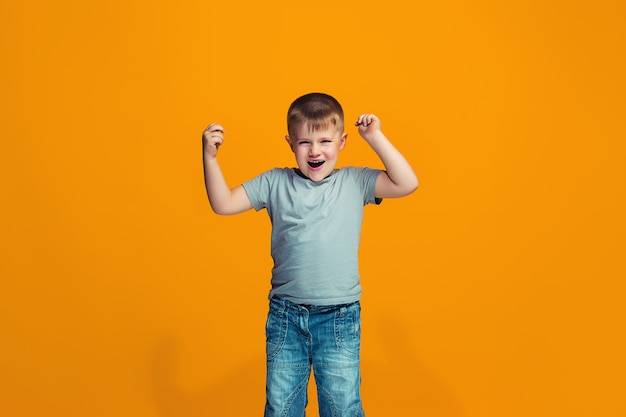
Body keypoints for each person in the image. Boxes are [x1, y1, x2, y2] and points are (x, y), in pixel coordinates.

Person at [202, 92, 418, 417]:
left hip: (339, 317)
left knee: (342, 408)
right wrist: (210, 158)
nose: (315, 150)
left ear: (342, 142)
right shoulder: (275, 182)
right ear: (290, 142)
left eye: (325, 141)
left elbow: (407, 183)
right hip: (286, 317)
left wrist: (375, 137)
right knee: (281, 408)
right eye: (305, 142)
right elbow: (223, 204)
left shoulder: (354, 181)